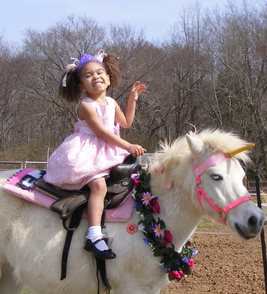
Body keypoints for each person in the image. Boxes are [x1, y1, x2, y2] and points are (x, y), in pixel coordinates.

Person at [44, 49, 146, 260]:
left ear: (108, 79)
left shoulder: (111, 102)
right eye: (88, 75)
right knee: (98, 185)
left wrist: (132, 99)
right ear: (82, 86)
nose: (95, 77)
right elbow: (101, 132)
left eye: (99, 73)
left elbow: (125, 123)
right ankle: (94, 235)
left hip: (108, 148)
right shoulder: (85, 106)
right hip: (87, 152)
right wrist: (128, 146)